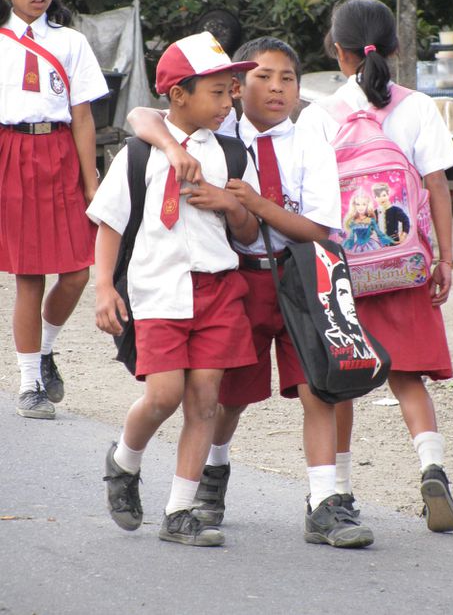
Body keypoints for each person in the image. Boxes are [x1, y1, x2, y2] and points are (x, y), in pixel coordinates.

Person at [128, 36, 375, 548]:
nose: (277, 88)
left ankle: (324, 504)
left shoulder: (311, 139)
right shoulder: (218, 132)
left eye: (288, 79)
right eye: (263, 77)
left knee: (317, 389)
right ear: (237, 88)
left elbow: (319, 229)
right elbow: (141, 117)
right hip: (236, 280)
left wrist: (254, 204)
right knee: (224, 396)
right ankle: (211, 479)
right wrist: (173, 146)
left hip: (302, 280)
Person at [87, 31, 261, 547]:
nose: (229, 100)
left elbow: (249, 232)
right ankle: (124, 460)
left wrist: (230, 205)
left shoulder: (230, 154)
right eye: (217, 91)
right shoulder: (141, 154)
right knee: (162, 395)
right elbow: (110, 224)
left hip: (218, 288)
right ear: (179, 95)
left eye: (232, 90)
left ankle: (180, 511)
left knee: (205, 398)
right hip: (157, 289)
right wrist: (103, 288)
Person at [296, 0, 453, 533]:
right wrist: (442, 258)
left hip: (346, 270)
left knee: (341, 382)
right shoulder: (418, 107)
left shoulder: (320, 115)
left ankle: (339, 490)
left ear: (339, 53)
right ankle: (432, 467)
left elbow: (312, 201)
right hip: (405, 265)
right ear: (395, 48)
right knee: (409, 378)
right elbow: (437, 186)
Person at [0, 0, 108, 420]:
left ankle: (45, 350)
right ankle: (28, 384)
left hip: (62, 153)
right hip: (11, 154)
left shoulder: (71, 42)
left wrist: (91, 182)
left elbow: (83, 117)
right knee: (28, 277)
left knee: (79, 269)